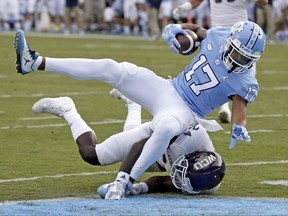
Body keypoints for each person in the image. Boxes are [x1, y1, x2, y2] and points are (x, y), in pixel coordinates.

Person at [14, 20, 266, 199]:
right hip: (168, 88)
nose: (238, 60)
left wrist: (239, 126)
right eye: (236, 52)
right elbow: (199, 32)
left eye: (245, 58)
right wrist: (176, 28)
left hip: (187, 112)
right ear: (229, 42)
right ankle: (36, 61)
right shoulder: (220, 36)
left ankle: (124, 181)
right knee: (114, 69)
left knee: (165, 127)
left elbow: (239, 105)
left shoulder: (245, 81)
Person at [30, 89, 225, 199]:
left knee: (129, 142)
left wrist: (137, 189)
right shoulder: (186, 140)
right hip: (158, 134)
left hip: (167, 153)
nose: (178, 177)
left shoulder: (204, 181)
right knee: (93, 155)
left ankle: (133, 104)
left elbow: (165, 182)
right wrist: (122, 182)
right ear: (192, 157)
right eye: (181, 174)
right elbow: (139, 146)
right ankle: (67, 109)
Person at [173, 0, 268, 124]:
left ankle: (226, 110)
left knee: (230, 75)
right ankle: (232, 115)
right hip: (236, 36)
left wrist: (184, 7)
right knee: (240, 78)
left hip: (232, 34)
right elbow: (263, 2)